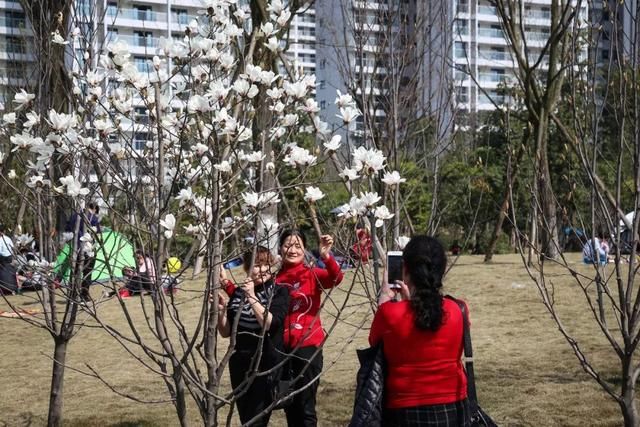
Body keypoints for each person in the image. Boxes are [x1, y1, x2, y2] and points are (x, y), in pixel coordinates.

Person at [369, 235, 470, 426]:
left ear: (404, 270)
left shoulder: (389, 313)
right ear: (441, 271)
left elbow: (375, 343)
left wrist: (385, 297)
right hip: (454, 404)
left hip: (402, 408)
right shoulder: (459, 309)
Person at [276, 229, 344, 427]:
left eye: (298, 246)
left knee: (306, 408)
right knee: (288, 405)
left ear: (305, 250)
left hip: (308, 348)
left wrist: (326, 256)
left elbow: (336, 278)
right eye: (288, 245)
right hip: (281, 351)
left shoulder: (311, 274)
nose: (293, 249)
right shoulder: (275, 279)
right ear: (280, 248)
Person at [217, 246, 289, 426]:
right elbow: (226, 332)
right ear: (247, 269)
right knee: (245, 418)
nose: (263, 269)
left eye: (267, 264)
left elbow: (269, 324)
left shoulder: (279, 292)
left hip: (265, 365)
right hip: (240, 364)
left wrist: (251, 296)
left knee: (256, 419)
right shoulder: (238, 295)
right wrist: (221, 312)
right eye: (256, 265)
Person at [64, 203, 101, 301]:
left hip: (75, 248)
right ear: (93, 209)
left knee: (75, 273)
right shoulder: (92, 217)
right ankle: (84, 295)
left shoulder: (73, 216)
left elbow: (67, 230)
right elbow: (97, 231)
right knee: (87, 273)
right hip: (88, 248)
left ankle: (72, 295)